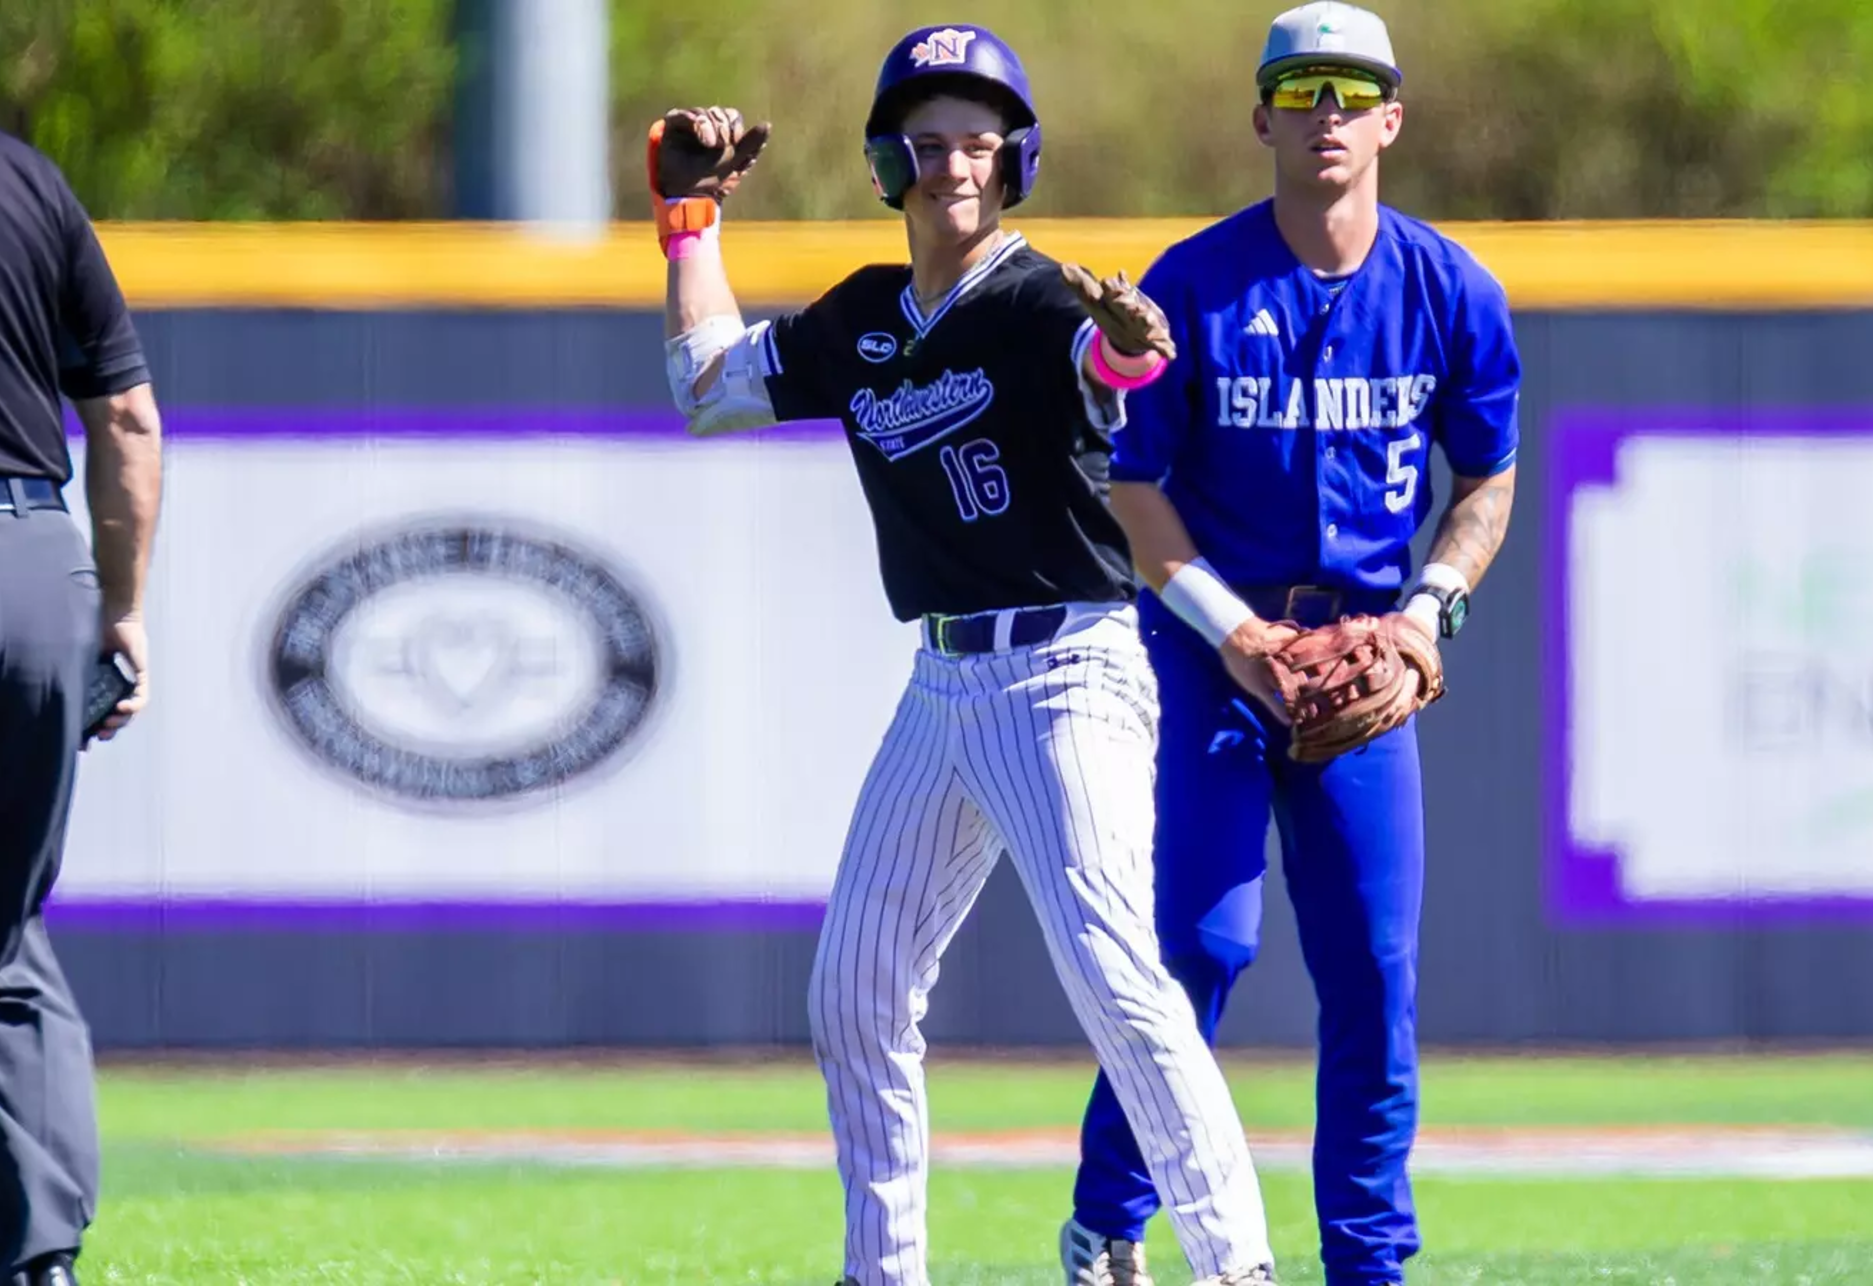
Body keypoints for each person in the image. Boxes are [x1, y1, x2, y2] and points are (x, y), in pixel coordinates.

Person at [646, 22, 1277, 1286]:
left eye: (979, 141)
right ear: (888, 163)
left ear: (1017, 159)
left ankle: (1235, 1267)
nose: (953, 164)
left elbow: (1112, 364)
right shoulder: (864, 316)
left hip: (1068, 671)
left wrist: (1128, 345)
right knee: (856, 988)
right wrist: (689, 222)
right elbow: (708, 386)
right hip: (943, 683)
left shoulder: (1042, 300)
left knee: (1116, 975)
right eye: (927, 142)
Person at [1059, 4, 1522, 1284]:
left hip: (1364, 658)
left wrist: (1428, 613)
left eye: (1351, 90)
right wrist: (1235, 632)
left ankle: (1369, 1263)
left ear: (1392, 119)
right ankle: (1109, 1218)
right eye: (1301, 88)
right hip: (1212, 645)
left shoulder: (1449, 288)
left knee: (1373, 969)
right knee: (1198, 947)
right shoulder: (1193, 281)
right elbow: (1131, 483)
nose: (1326, 112)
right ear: (1260, 116)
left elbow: (1486, 476)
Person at [0, 1, 164, 1282]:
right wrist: (118, 609)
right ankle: (42, 1263)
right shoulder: (22, 174)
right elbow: (126, 418)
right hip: (37, 569)